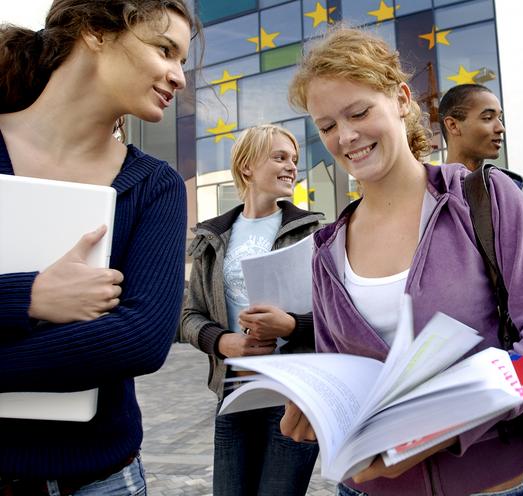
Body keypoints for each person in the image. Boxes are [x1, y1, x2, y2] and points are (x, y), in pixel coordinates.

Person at [280, 27, 523, 496]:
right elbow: (338, 369)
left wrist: (442, 423)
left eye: (359, 112)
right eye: (326, 126)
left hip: (489, 485)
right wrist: (317, 402)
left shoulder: (486, 198)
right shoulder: (326, 247)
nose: (345, 136)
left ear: (402, 99)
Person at [0, 0, 196, 494]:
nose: (179, 77)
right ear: (94, 31)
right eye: (164, 50)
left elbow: (141, 339)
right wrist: (30, 297)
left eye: (183, 61)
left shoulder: (156, 185)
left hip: (101, 478)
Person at [181, 124, 322, 496]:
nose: (292, 166)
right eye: (279, 157)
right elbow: (188, 316)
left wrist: (290, 325)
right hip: (234, 392)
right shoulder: (212, 238)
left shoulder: (312, 233)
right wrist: (223, 341)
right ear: (247, 168)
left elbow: (336, 315)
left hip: (291, 395)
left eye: (294, 159)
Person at [438, 83, 523, 287]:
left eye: (499, 117)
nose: (500, 128)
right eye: (487, 118)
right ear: (453, 125)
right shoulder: (426, 199)